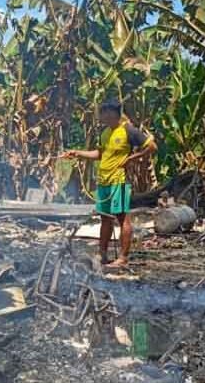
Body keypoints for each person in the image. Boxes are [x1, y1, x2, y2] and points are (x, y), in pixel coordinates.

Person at [64, 100, 157, 268]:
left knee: (122, 218)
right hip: (104, 181)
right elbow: (99, 154)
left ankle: (122, 258)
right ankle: (102, 254)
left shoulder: (128, 130)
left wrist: (131, 158)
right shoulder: (106, 132)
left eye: (103, 112)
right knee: (105, 218)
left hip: (118, 180)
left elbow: (151, 146)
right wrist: (78, 153)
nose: (101, 116)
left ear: (113, 113)